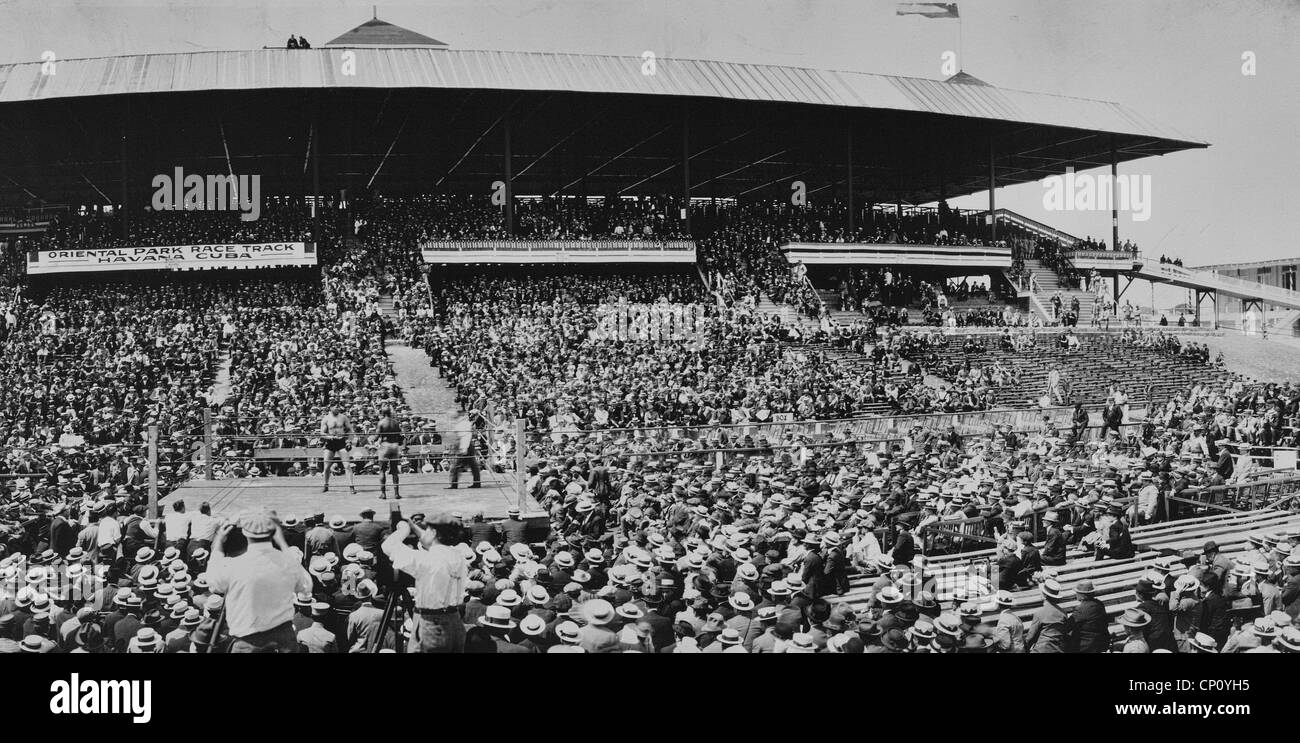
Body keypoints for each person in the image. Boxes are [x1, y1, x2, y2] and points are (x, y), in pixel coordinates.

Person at [205, 511, 313, 653]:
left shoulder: (233, 566)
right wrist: (282, 542)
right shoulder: (286, 563)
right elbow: (306, 586)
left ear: (246, 533)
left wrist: (218, 542)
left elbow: (213, 583)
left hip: (247, 643)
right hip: (284, 642)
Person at [381, 512, 468, 653]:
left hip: (433, 625)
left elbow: (388, 546)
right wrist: (413, 526)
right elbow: (432, 543)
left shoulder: (426, 560)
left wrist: (403, 529)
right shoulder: (457, 555)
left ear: (433, 533)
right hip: (454, 620)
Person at [320, 404, 357, 494]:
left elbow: (350, 430)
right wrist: (330, 437)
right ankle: (326, 485)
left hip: (341, 441)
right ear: (330, 407)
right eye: (335, 406)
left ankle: (351, 486)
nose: (337, 408)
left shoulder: (343, 418)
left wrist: (349, 441)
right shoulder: (326, 418)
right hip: (330, 442)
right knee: (327, 466)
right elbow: (322, 433)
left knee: (347, 465)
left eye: (338, 406)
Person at [1067, 579, 1109, 653]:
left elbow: (1068, 626)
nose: (1076, 594)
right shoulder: (1099, 604)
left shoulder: (1081, 609)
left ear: (1082, 595)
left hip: (1086, 646)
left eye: (1077, 592)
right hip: (1101, 642)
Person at [447, 409, 481, 489]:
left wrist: (464, 448)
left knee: (456, 466)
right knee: (473, 465)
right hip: (467, 446)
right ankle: (477, 483)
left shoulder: (462, 423)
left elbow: (466, 436)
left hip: (465, 446)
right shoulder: (461, 422)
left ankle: (454, 484)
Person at [375, 407, 404, 499]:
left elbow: (377, 436)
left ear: (383, 413)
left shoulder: (381, 422)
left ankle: (383, 494)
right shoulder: (395, 422)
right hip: (394, 446)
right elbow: (399, 434)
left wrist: (372, 439)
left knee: (382, 470)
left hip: (385, 445)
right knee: (394, 471)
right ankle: (396, 494)